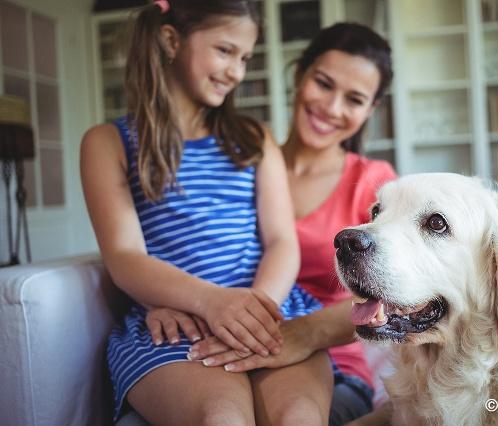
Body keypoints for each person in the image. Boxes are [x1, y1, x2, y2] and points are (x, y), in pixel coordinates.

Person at [80, 1, 333, 424]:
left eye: (245, 57)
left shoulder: (254, 138)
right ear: (171, 40)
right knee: (222, 418)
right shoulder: (107, 142)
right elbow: (125, 258)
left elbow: (281, 241)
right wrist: (212, 303)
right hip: (177, 323)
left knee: (299, 417)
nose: (236, 71)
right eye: (224, 50)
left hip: (269, 309)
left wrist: (254, 313)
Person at [184, 22, 398, 425]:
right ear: (299, 75)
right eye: (323, 83)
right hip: (224, 348)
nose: (332, 108)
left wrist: (300, 335)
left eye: (354, 99)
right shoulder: (238, 164)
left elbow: (395, 294)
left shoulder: (375, 185)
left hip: (331, 367)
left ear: (371, 110)